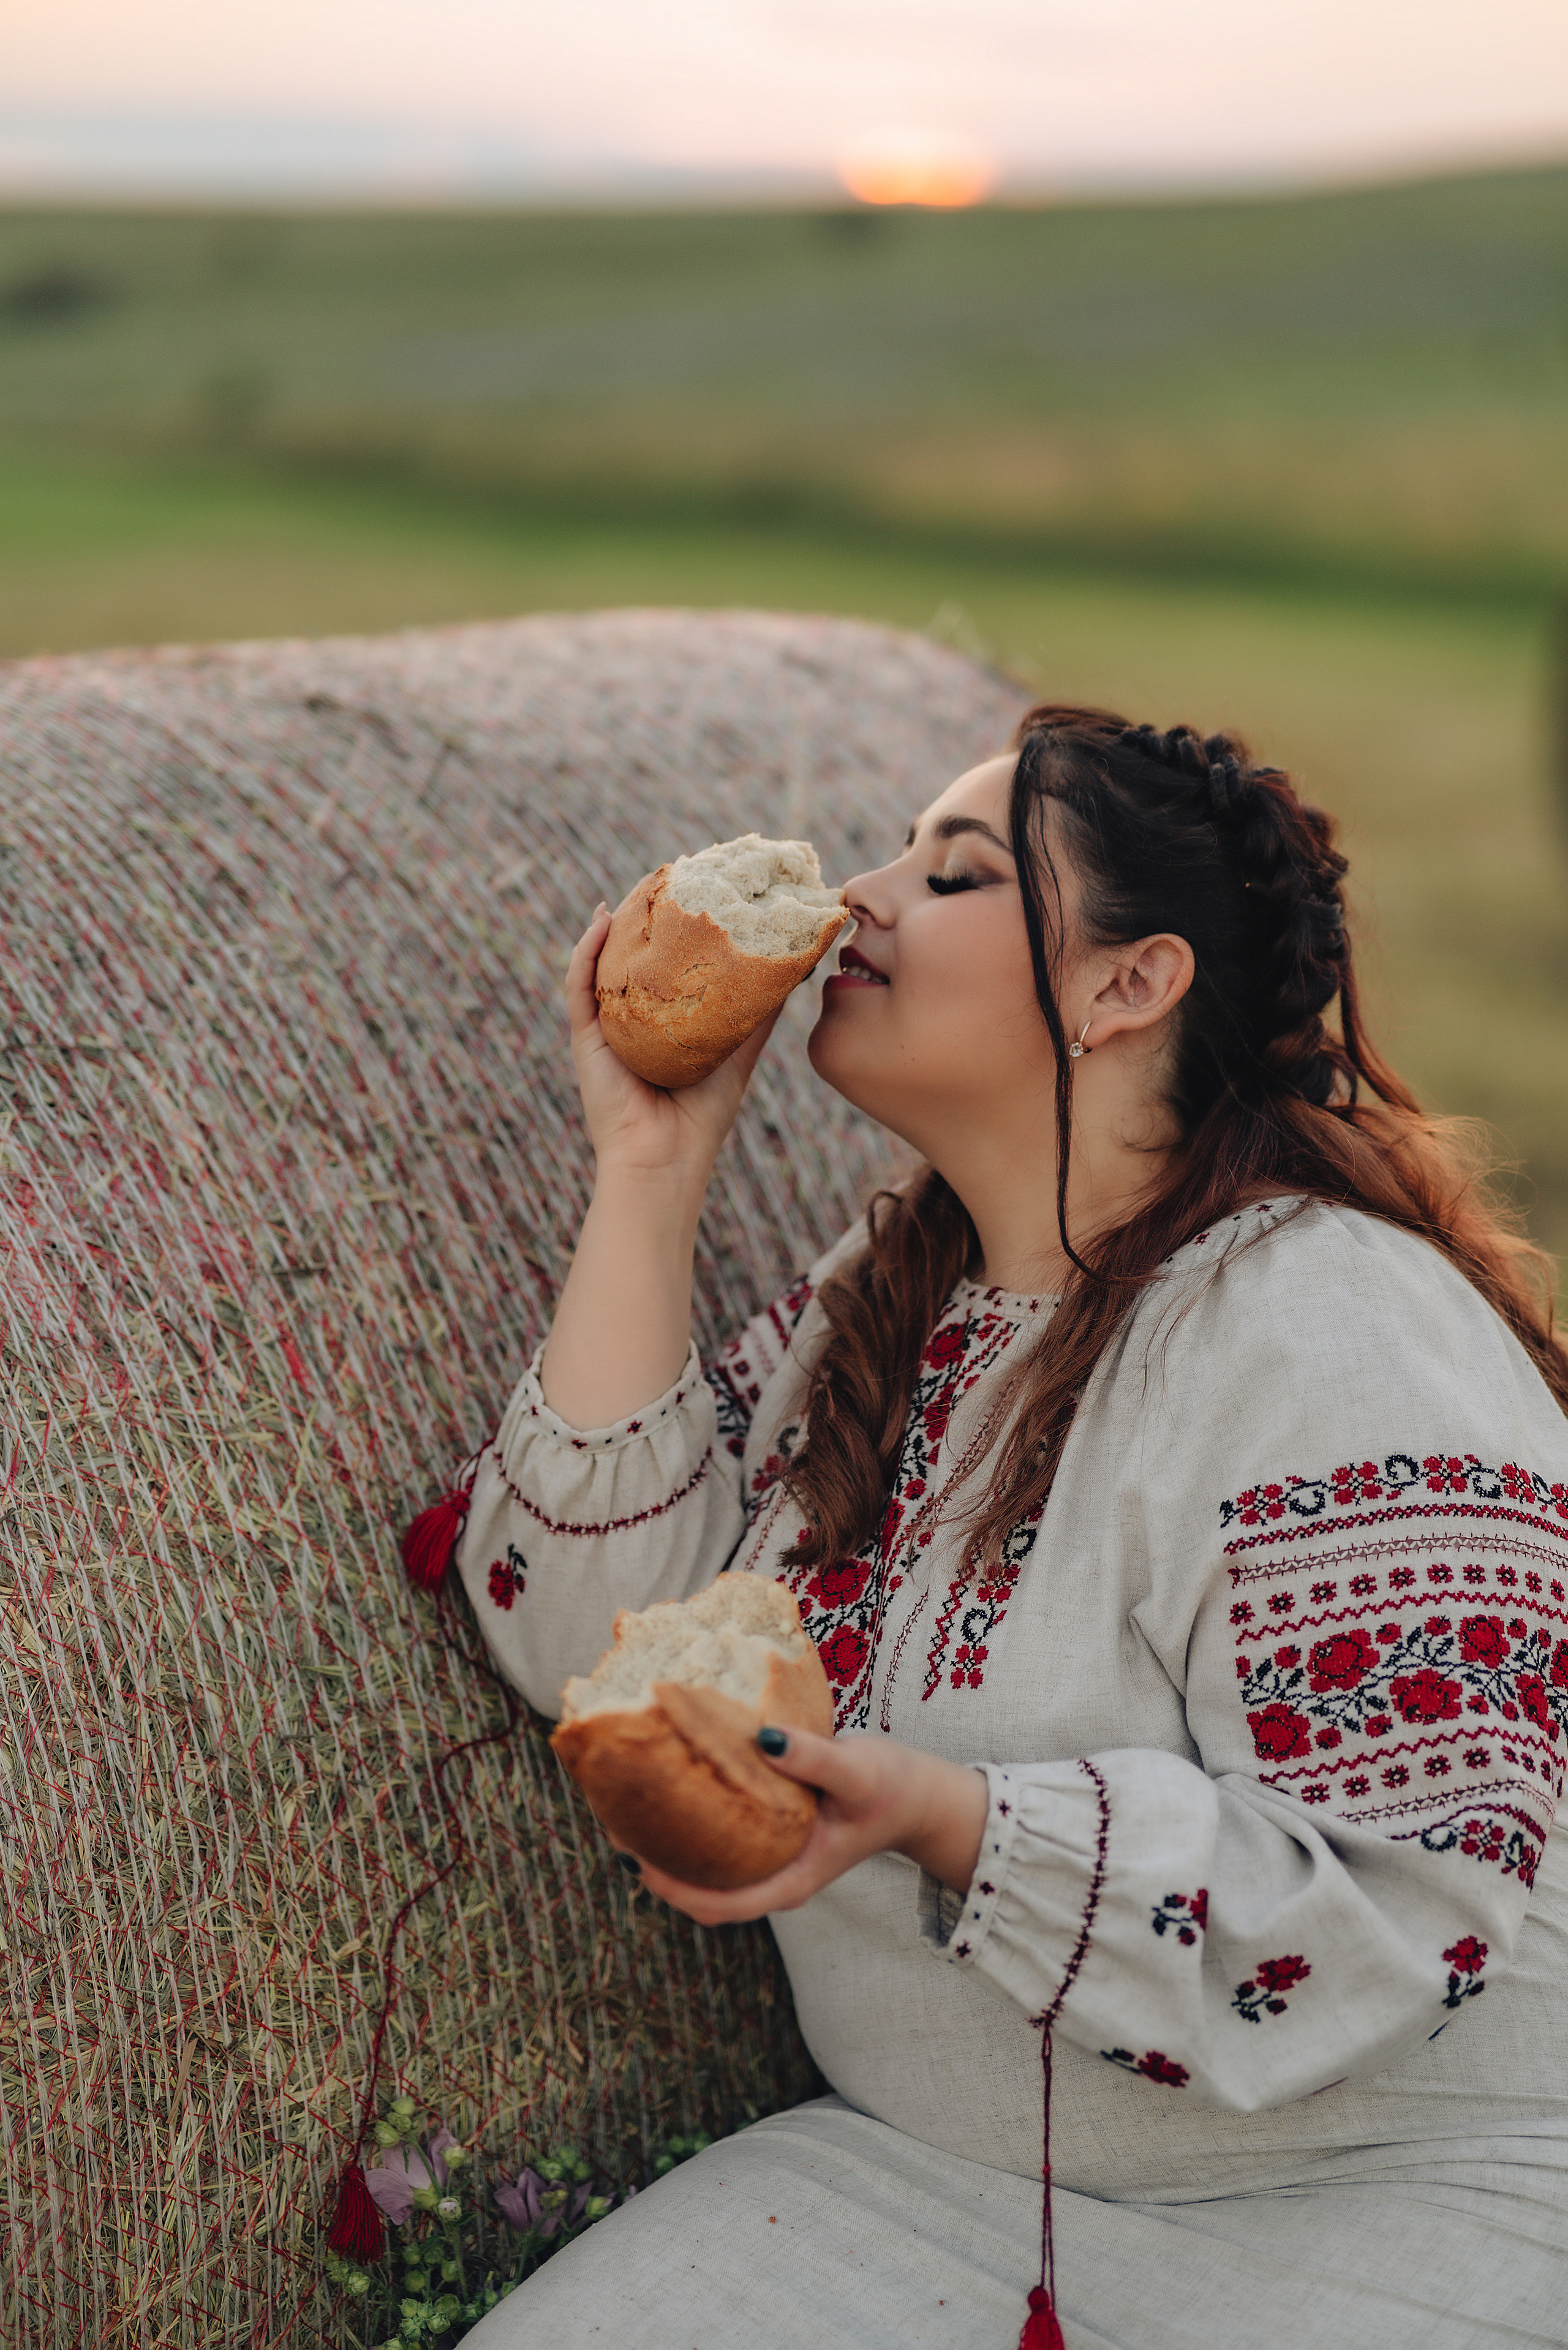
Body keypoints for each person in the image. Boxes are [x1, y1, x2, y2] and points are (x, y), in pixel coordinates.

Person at [457, 706, 1568, 2349]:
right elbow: (593, 1646)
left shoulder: (1334, 1324)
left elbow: (1392, 1905)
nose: (863, 895)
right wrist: (651, 1167)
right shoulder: (892, 1303)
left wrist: (953, 1819)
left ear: (1130, 985)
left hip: (1396, 2197)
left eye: (956, 872)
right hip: (941, 2180)